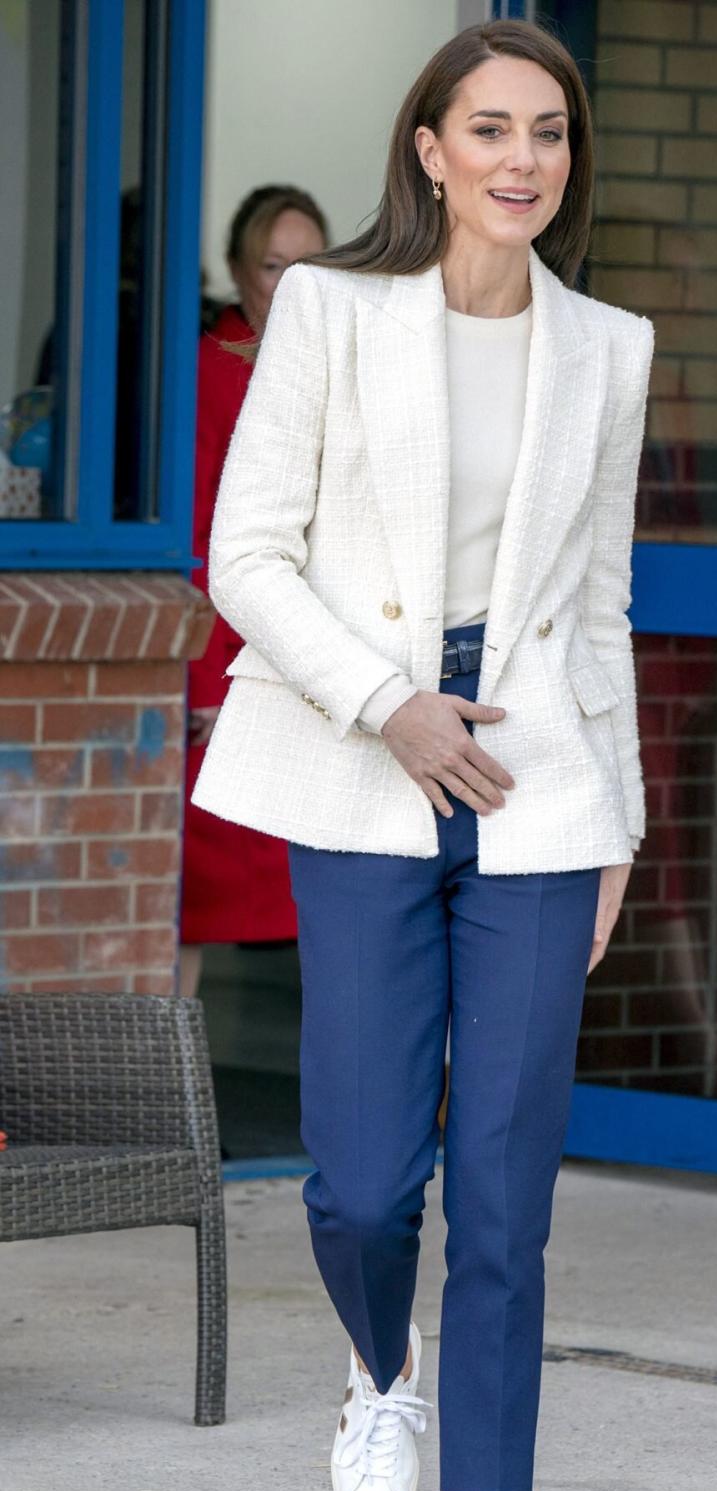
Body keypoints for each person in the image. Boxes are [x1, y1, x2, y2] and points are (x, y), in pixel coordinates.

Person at [191, 19, 653, 1491]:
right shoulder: (328, 315)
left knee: (511, 1182)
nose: (524, 157)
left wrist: (620, 830)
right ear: (432, 149)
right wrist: (389, 700)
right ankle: (377, 1368)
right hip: (366, 762)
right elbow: (245, 555)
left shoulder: (606, 351)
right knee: (370, 1180)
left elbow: (600, 612)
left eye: (551, 133)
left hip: (538, 785)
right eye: (493, 129)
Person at [180, 188, 328, 999]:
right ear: (238, 271)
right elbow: (196, 535)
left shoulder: (346, 360)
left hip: (327, 668)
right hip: (235, 665)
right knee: (195, 905)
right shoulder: (208, 368)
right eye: (274, 265)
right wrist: (203, 677)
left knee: (341, 901)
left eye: (308, 264)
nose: (291, 282)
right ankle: (176, 1109)